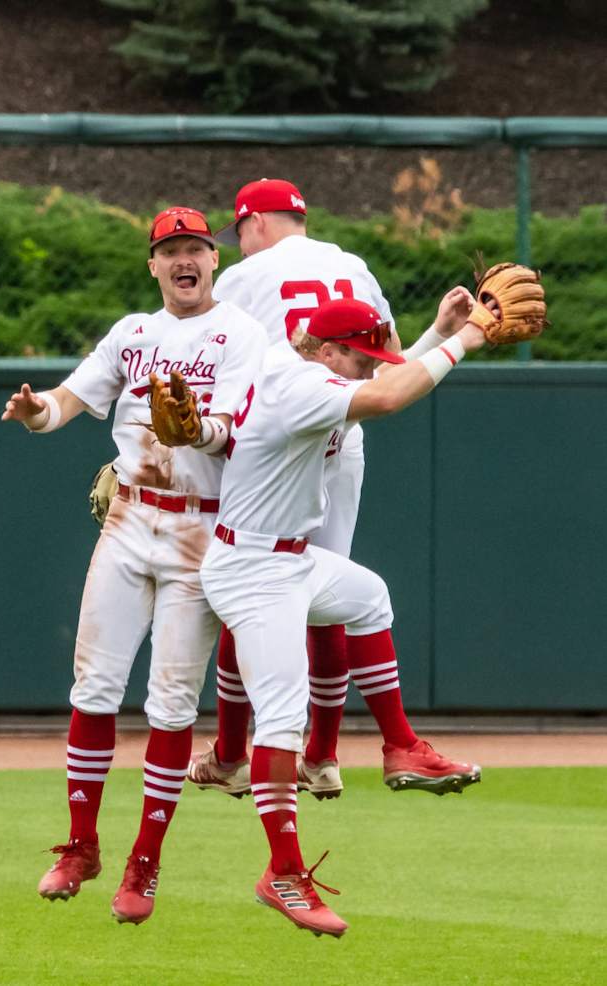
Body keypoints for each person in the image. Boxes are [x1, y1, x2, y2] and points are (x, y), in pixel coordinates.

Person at [1, 207, 267, 924]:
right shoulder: (133, 332)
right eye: (171, 250)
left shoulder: (242, 334)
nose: (185, 260)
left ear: (215, 260)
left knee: (172, 702)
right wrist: (35, 413)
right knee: (93, 685)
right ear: (153, 264)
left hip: (199, 532)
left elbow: (239, 429)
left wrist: (203, 431)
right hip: (128, 519)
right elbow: (68, 399)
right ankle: (80, 846)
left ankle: (143, 866)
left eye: (196, 249)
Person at [196, 296, 490, 937]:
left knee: (367, 597)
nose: (367, 370)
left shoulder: (312, 366)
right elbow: (386, 398)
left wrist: (436, 332)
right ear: (327, 351)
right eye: (359, 358)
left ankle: (401, 747)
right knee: (281, 719)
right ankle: (283, 873)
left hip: (290, 558)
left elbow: (379, 381)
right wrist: (465, 339)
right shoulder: (297, 383)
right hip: (251, 569)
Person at [188, 178, 480, 800]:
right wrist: (453, 339)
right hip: (317, 440)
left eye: (237, 232)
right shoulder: (350, 265)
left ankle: (248, 753)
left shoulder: (245, 282)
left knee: (330, 591)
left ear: (255, 223)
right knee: (297, 596)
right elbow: (386, 368)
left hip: (275, 435)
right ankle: (314, 755)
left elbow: (374, 370)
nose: (238, 245)